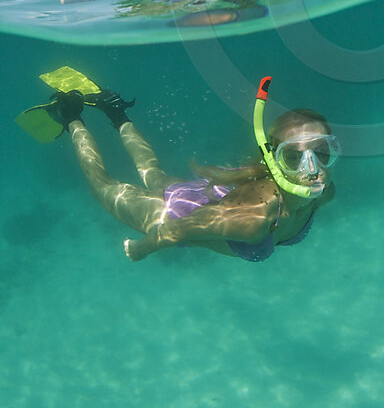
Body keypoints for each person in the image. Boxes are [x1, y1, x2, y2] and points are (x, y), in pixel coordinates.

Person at [20, 70, 338, 263]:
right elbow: (175, 229)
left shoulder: (324, 194)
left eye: (322, 152)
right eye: (293, 157)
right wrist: (141, 249)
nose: (313, 169)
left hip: (206, 199)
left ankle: (114, 111)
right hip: (177, 217)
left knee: (154, 175)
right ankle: (71, 114)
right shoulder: (255, 221)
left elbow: (257, 181)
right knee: (102, 187)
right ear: (274, 160)